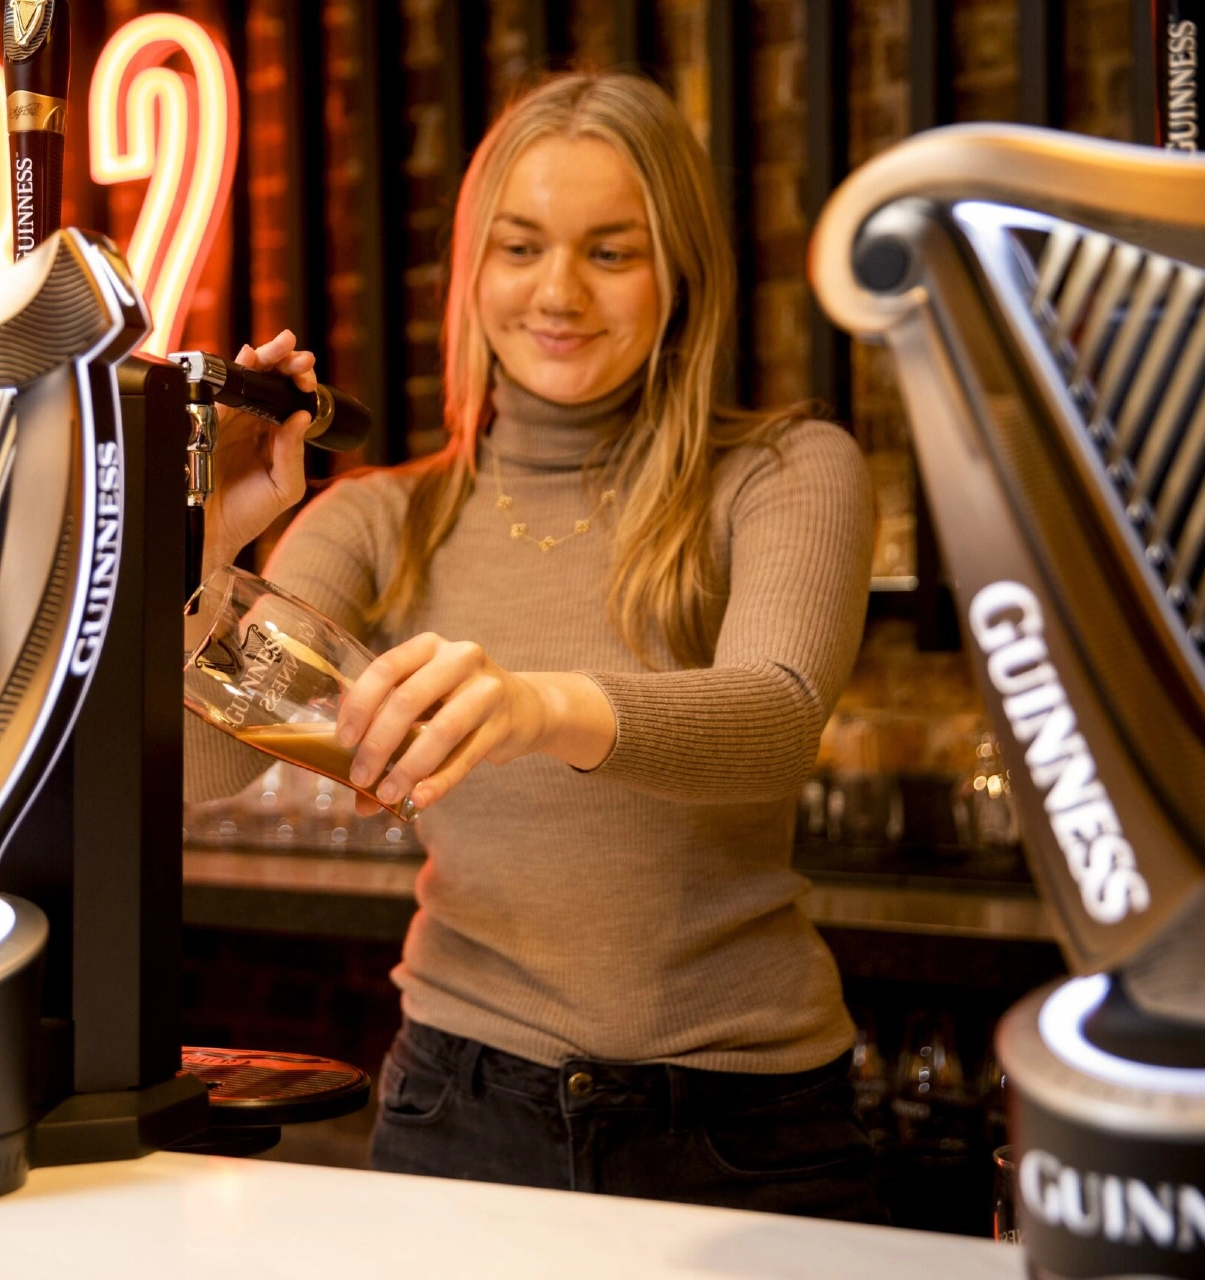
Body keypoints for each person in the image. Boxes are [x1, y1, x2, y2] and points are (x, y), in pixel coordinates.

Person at [187, 71, 882, 1222]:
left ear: (682, 271)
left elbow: (777, 715)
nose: (558, 291)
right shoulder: (381, 515)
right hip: (461, 1105)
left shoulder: (784, 470)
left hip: (745, 1129)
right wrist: (210, 545)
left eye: (612, 251)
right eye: (520, 248)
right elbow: (210, 768)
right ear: (473, 273)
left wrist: (535, 707)